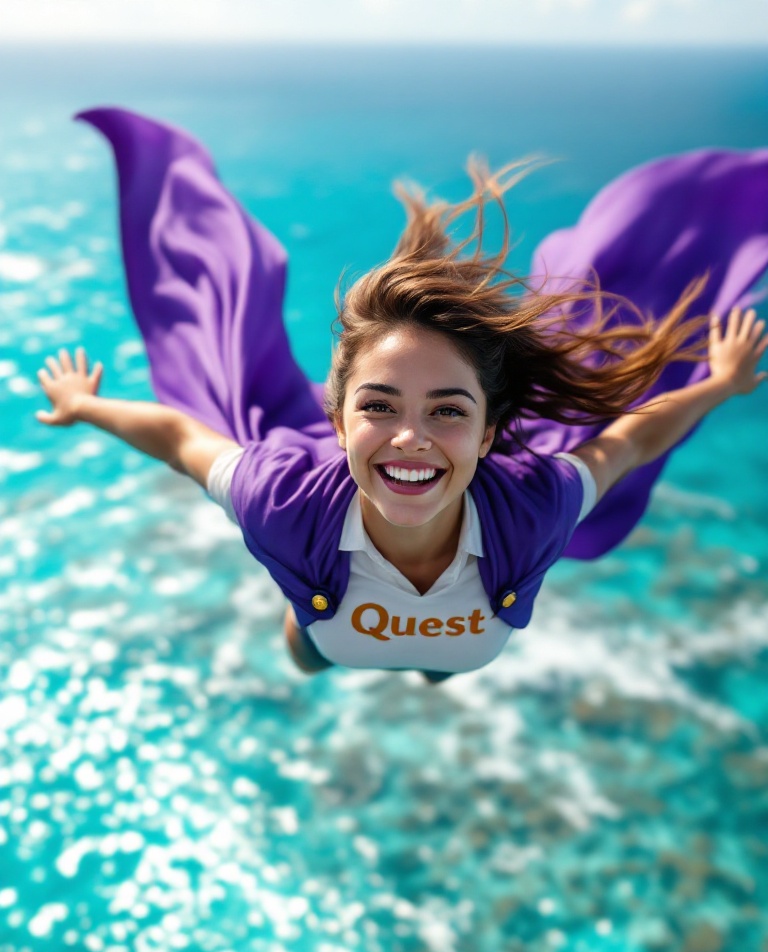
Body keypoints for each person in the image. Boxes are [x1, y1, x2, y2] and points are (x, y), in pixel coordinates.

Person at [35, 108, 768, 680]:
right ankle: (356, 650)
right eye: (379, 405)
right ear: (336, 414)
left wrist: (719, 382)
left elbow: (631, 438)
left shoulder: (536, 501)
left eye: (447, 410)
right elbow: (179, 438)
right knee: (312, 650)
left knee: (439, 670)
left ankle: (432, 672)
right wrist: (86, 406)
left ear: (488, 435)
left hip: (457, 641)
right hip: (328, 635)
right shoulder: (281, 502)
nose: (410, 436)